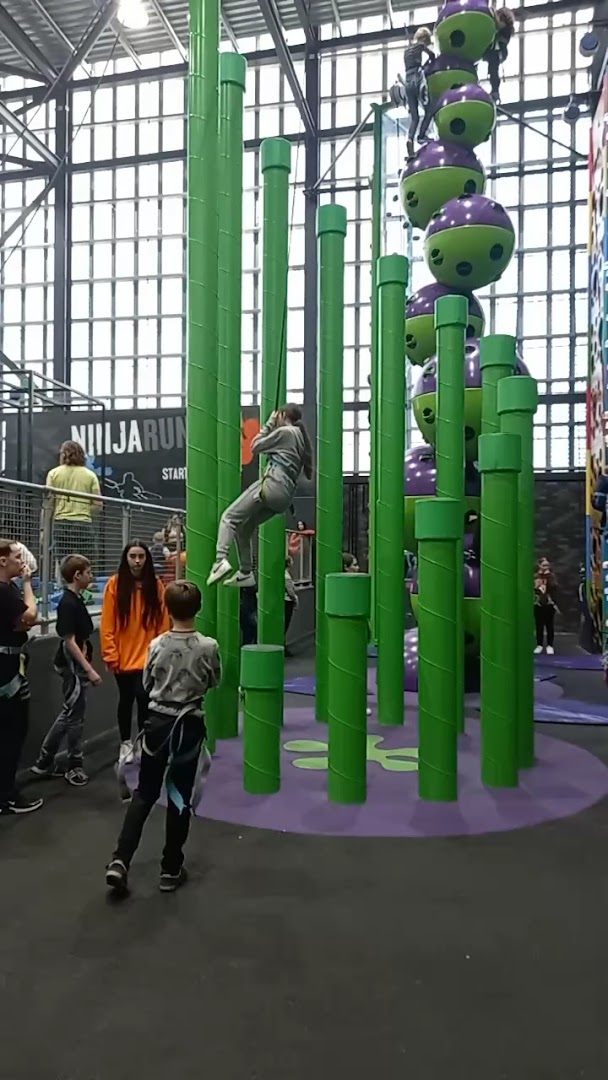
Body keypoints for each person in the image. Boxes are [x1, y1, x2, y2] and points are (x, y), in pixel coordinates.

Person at [105, 580, 221, 896]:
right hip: (188, 725)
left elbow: (146, 682)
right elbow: (215, 679)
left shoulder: (156, 645)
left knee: (145, 791)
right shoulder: (208, 646)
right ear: (198, 608)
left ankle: (120, 860)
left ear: (167, 609)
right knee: (179, 794)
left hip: (157, 722)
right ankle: (170, 868)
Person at [207, 404, 313, 589]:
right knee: (245, 528)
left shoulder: (286, 432)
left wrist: (270, 423)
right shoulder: (299, 438)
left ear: (281, 415)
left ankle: (220, 560)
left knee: (229, 518)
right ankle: (246, 572)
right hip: (284, 498)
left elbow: (255, 446)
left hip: (272, 485)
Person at [31, 555, 100, 787]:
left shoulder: (76, 599)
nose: (91, 576)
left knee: (70, 713)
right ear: (77, 575)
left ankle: (44, 760)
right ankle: (73, 765)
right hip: (73, 665)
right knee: (74, 718)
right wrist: (88, 669)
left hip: (76, 662)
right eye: (87, 572)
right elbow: (69, 641)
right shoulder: (68, 603)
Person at [101, 541, 170, 765]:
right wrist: (110, 654)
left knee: (144, 700)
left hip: (148, 657)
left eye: (141, 556)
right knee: (126, 700)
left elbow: (163, 622)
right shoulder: (114, 584)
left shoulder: (156, 585)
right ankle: (125, 743)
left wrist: (160, 651)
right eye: (133, 556)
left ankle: (141, 740)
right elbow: (107, 623)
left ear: (147, 558)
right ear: (126, 558)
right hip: (122, 657)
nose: (137, 560)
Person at [0, 540, 42, 816]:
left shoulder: (8, 590)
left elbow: (24, 621)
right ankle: (6, 796)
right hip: (4, 667)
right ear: (2, 561)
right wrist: (28, 584)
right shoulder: (4, 591)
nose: (21, 561)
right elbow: (29, 615)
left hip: (11, 661)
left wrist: (27, 618)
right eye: (16, 557)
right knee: (11, 732)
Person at [46, 441, 102, 573]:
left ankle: (67, 589)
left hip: (60, 523)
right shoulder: (90, 475)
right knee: (87, 562)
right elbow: (98, 505)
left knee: (65, 564)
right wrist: (83, 510)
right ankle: (85, 589)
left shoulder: (53, 473)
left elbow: (48, 504)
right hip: (83, 524)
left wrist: (44, 529)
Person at [402, 26, 435, 157]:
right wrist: (427, 64)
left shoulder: (406, 51)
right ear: (424, 38)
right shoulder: (420, 46)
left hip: (407, 81)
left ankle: (410, 139)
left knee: (414, 117)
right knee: (430, 109)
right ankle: (421, 135)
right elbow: (432, 56)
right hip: (417, 79)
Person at [484, 5, 515, 102]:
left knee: (493, 67)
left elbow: (498, 25)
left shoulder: (506, 29)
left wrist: (492, 14)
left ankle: (495, 91)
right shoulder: (503, 29)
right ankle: (494, 91)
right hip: (492, 50)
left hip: (498, 51)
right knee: (493, 67)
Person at [534, 557, 558, 655]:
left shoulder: (551, 576)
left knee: (549, 626)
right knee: (539, 625)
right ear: (539, 566)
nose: (545, 567)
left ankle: (550, 645)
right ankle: (539, 645)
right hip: (538, 603)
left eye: (547, 565)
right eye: (544, 565)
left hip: (549, 604)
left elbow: (554, 587)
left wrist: (548, 577)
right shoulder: (535, 576)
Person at [285, 557, 298, 646]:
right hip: (287, 602)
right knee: (286, 624)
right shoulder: (286, 577)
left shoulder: (284, 575)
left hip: (285, 601)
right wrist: (295, 599)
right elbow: (290, 592)